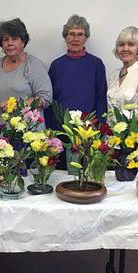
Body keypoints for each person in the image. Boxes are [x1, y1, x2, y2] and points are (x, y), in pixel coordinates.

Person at [44, 14, 107, 169]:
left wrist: (99, 127)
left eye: (80, 34)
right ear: (65, 37)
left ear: (86, 38)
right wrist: (52, 131)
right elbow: (50, 100)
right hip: (61, 132)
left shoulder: (96, 64)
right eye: (71, 34)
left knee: (85, 173)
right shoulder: (56, 65)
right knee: (61, 174)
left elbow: (101, 98)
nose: (75, 38)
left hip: (87, 131)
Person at [0, 18, 52, 134]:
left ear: (23, 41)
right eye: (6, 39)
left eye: (14, 39)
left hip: (27, 134)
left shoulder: (33, 65)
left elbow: (45, 98)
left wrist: (17, 104)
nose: (10, 43)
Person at [107, 26, 138, 118]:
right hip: (111, 131)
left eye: (131, 44)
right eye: (121, 44)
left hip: (133, 132)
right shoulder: (114, 75)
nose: (125, 49)